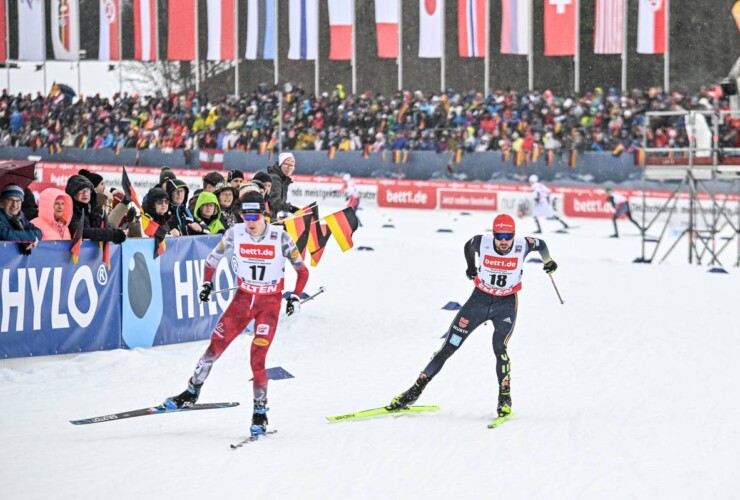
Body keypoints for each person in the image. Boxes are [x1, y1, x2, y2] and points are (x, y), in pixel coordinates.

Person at [163, 191, 309, 437]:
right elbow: (211, 261)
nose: (250, 221)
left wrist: (294, 295)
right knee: (214, 348)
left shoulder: (280, 237)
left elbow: (302, 270)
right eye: (245, 215)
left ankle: (260, 412)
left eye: (255, 215)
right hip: (241, 301)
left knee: (257, 358)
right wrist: (206, 283)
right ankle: (191, 392)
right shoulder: (234, 233)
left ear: (264, 213)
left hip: (268, 304)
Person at [387, 214, 558, 424]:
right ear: (493, 234)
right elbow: (468, 246)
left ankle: (504, 399)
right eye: (499, 235)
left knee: (500, 348)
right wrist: (470, 266)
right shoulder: (482, 242)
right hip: (478, 302)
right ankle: (413, 392)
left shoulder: (524, 244)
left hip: (505, 305)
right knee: (448, 347)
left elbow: (542, 245)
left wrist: (548, 262)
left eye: (508, 236)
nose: (504, 241)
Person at [65, 175, 127, 244]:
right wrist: (111, 234)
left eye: (88, 190)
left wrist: (116, 232)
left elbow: (103, 226)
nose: (85, 194)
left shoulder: (94, 209)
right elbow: (81, 232)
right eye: (81, 190)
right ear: (73, 193)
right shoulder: (69, 211)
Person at [0, 184, 42, 254]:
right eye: (10, 200)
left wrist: (30, 238)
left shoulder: (21, 218)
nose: (14, 205)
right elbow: (5, 234)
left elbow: (38, 232)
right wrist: (31, 237)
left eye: (18, 201)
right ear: (2, 201)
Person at [267, 152, 301, 219]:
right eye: (286, 164)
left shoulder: (283, 179)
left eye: (291, 166)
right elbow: (275, 202)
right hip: (265, 218)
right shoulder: (275, 178)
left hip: (270, 216)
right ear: (280, 164)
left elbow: (279, 204)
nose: (289, 168)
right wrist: (291, 208)